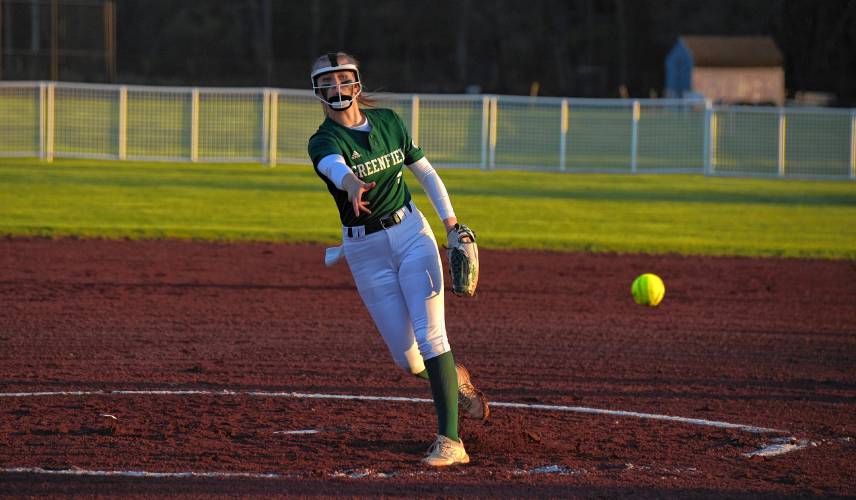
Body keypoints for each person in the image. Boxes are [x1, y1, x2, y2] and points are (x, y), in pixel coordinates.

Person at [307, 52, 489, 467]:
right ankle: (455, 380)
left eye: (343, 79)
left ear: (357, 83)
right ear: (317, 90)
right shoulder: (322, 140)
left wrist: (451, 223)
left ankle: (451, 440)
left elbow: (425, 172)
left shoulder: (389, 122)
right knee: (408, 360)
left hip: (412, 235)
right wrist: (350, 181)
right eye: (327, 82)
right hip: (364, 251)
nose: (337, 89)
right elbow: (334, 167)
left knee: (432, 337)